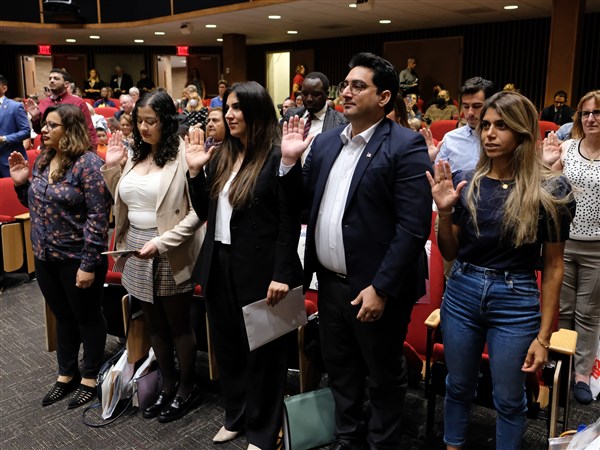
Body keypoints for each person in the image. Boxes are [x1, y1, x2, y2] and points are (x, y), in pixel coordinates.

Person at [281, 52, 432, 450]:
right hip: (329, 284)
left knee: (382, 375)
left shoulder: (405, 144)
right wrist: (289, 163)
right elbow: (300, 205)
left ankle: (383, 443)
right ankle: (349, 439)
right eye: (344, 85)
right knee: (341, 370)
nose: (345, 92)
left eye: (357, 86)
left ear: (383, 98)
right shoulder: (328, 142)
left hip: (374, 287)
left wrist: (381, 288)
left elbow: (413, 228)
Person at [429, 91, 575, 449]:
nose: (489, 134)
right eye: (486, 126)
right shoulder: (468, 179)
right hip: (462, 290)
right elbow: (450, 250)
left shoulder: (551, 189)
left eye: (502, 126)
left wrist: (544, 338)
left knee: (509, 398)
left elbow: (554, 267)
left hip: (515, 299)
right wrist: (444, 214)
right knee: (458, 385)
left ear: (523, 133)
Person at [186, 81, 303, 450]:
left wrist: (283, 273)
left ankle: (263, 432)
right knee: (229, 347)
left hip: (261, 269)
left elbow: (290, 220)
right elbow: (205, 211)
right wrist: (193, 174)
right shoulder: (222, 154)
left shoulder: (275, 156)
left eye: (237, 108)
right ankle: (235, 417)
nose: (229, 115)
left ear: (255, 111)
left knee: (265, 355)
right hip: (219, 264)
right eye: (228, 108)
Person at [102, 90, 205, 423]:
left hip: (170, 248)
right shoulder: (133, 155)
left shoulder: (182, 157)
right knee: (154, 325)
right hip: (135, 247)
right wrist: (112, 168)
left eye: (152, 121)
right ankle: (168, 382)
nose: (144, 128)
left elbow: (196, 214)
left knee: (178, 325)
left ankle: (188, 386)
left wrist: (162, 242)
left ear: (167, 121)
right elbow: (124, 200)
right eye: (139, 121)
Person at [9, 104, 110, 409]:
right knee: (62, 316)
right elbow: (37, 205)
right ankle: (66, 373)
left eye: (52, 125)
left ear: (71, 130)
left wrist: (89, 264)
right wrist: (21, 183)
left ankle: (90, 376)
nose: (44, 130)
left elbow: (98, 216)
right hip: (45, 256)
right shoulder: (42, 159)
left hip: (77, 258)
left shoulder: (88, 164)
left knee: (88, 317)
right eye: (44, 125)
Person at [543, 90, 600, 405]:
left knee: (589, 313)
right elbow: (552, 192)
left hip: (598, 247)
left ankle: (581, 374)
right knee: (563, 309)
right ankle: (561, 366)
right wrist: (549, 166)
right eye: (586, 113)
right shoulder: (566, 147)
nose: (591, 119)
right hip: (563, 243)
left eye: (597, 113)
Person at [24, 68, 97, 150]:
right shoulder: (43, 103)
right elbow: (39, 131)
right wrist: (35, 118)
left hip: (72, 149)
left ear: (66, 84)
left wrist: (92, 151)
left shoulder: (78, 102)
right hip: (48, 150)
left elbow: (89, 130)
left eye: (56, 78)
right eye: (50, 78)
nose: (51, 81)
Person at [283, 72, 347, 164]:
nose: (309, 99)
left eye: (315, 94)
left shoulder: (341, 121)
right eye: (304, 94)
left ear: (327, 94)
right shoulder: (291, 115)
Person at [433, 77, 496, 169]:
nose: (470, 113)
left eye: (477, 106)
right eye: (466, 107)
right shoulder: (450, 139)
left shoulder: (502, 139)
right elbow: (438, 177)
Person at [0, 75, 30, 177]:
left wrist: (4, 138)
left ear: (4, 88)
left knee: (11, 192)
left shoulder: (15, 106)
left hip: (9, 161)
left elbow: (26, 131)